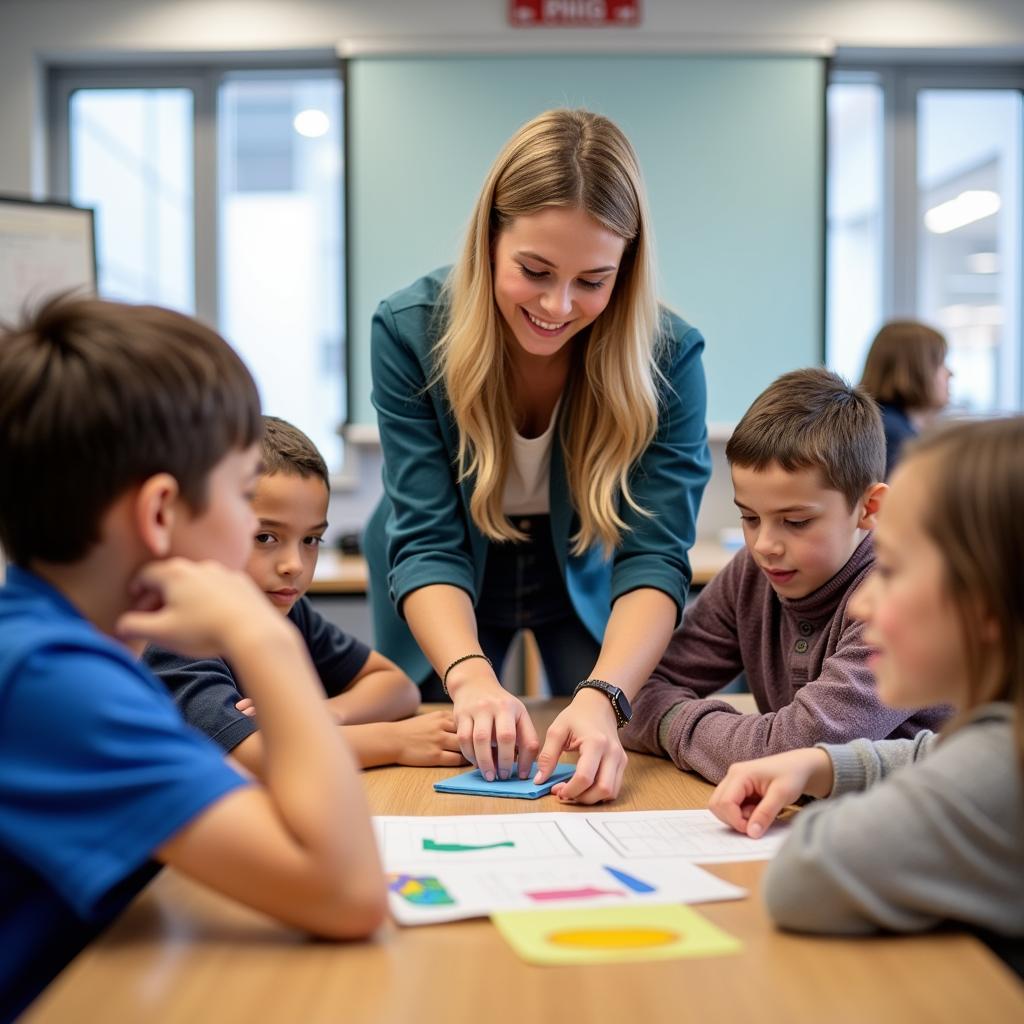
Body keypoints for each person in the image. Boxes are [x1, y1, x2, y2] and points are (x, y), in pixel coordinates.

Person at [0, 298, 385, 1021]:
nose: (260, 538)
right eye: (246, 499)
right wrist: (265, 641)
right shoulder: (52, 681)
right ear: (159, 515)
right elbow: (349, 892)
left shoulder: (75, 653)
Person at [365, 108, 711, 804]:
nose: (558, 305)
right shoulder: (408, 329)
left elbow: (655, 553)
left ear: (627, 266)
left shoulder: (669, 353)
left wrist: (606, 696)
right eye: (535, 270)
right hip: (446, 569)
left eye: (593, 280)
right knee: (439, 750)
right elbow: (428, 539)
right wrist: (468, 675)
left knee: (608, 734)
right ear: (490, 238)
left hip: (582, 563)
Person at [709, 417, 1024, 946]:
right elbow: (935, 754)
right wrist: (826, 764)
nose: (860, 602)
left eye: (892, 570)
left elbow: (804, 877)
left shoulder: (1003, 767)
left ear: (989, 602)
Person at [620, 368, 948, 783]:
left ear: (869, 509)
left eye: (795, 522)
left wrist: (671, 722)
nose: (764, 546)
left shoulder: (896, 600)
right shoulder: (752, 574)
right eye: (750, 517)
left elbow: (791, 753)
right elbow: (634, 689)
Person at [147, 416, 466, 771]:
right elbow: (251, 754)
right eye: (265, 537)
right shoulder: (173, 630)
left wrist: (325, 714)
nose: (294, 565)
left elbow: (397, 686)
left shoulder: (285, 609)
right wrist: (397, 741)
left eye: (310, 540)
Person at [859, 319, 951, 476]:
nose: (950, 373)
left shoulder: (884, 424)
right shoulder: (893, 435)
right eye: (940, 363)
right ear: (915, 370)